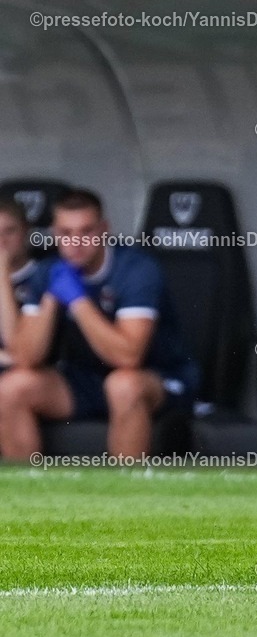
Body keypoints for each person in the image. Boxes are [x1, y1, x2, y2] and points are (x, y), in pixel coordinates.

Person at [0, 189, 198, 461]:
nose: (76, 242)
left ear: (104, 230)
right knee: (11, 387)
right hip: (85, 380)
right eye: (66, 233)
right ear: (54, 234)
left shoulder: (136, 269)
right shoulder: (49, 271)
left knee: (122, 386)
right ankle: (28, 497)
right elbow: (26, 357)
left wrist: (78, 300)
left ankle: (126, 499)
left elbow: (128, 356)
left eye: (86, 232)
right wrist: (50, 299)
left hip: (157, 378)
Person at [0, 199, 38, 367]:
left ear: (25, 231)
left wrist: (2, 272)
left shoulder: (42, 276)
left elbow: (16, 346)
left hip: (21, 375)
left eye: (9, 231)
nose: (1, 241)